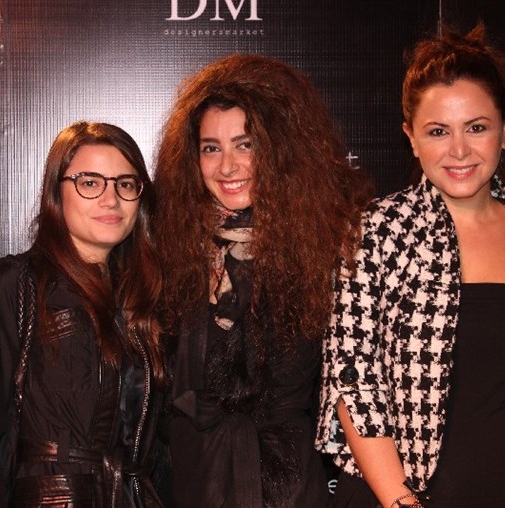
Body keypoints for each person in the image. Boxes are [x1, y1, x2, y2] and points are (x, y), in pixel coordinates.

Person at [316, 25, 505, 508]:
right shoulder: (373, 234)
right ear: (411, 138)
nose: (459, 150)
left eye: (476, 127)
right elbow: (353, 381)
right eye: (438, 131)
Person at [152, 54, 372, 507]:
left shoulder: (328, 246)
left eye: (245, 144)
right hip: (194, 482)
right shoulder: (171, 247)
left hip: (289, 488)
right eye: (211, 148)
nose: (227, 166)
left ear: (279, 149)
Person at [0, 121, 165, 507]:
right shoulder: (12, 286)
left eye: (125, 184)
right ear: (57, 192)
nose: (111, 199)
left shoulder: (143, 300)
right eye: (90, 183)